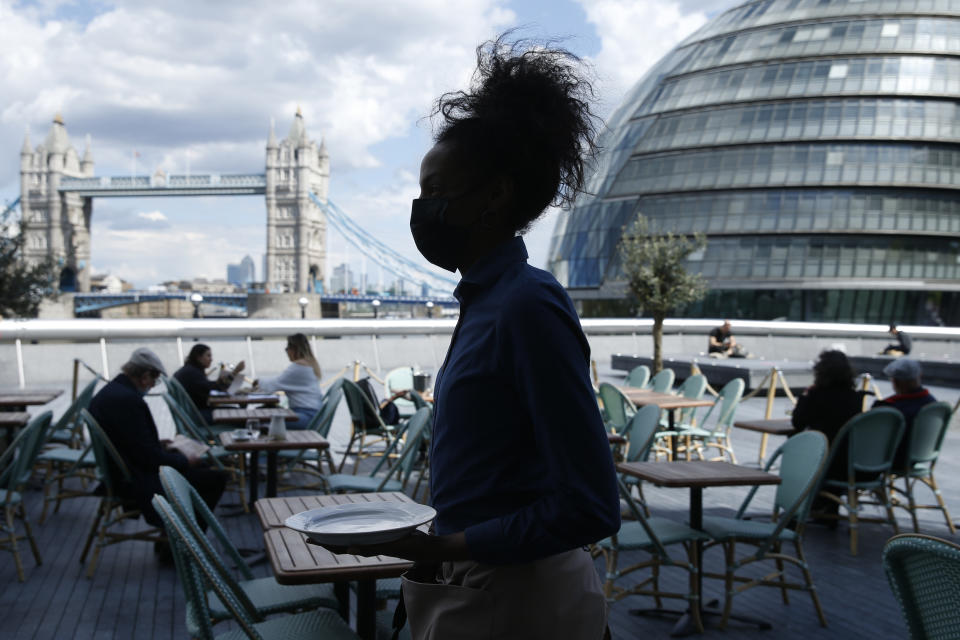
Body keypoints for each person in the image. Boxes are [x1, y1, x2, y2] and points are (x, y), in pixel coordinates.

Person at [332, 35, 621, 639]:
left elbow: (590, 505)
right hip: (478, 589)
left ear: (495, 195)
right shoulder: (485, 305)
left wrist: (441, 549)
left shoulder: (527, 305)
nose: (421, 209)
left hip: (519, 604)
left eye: (437, 192)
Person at [87, 348, 227, 535]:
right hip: (134, 479)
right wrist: (185, 460)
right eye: (155, 380)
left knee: (200, 470)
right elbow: (148, 458)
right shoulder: (128, 401)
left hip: (121, 471)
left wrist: (160, 444)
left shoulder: (113, 391)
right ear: (145, 376)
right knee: (215, 478)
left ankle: (174, 537)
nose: (153, 385)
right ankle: (184, 543)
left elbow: (131, 441)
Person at [792, 350, 866, 521]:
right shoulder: (855, 398)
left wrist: (804, 397)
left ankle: (796, 509)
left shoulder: (817, 395)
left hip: (822, 459)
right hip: (848, 460)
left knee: (796, 450)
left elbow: (798, 422)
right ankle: (827, 507)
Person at [873, 358, 936, 469]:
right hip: (921, 456)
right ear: (919, 375)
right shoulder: (932, 403)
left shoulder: (888, 408)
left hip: (892, 460)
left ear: (896, 382)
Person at [253, 333, 323, 428]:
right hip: (314, 415)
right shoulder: (310, 364)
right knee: (265, 416)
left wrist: (257, 382)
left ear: (294, 349)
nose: (286, 351)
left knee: (262, 422)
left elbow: (273, 384)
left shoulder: (299, 366)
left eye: (287, 348)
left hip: (306, 417)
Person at [173, 343, 244, 424]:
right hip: (197, 416)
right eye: (208, 356)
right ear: (199, 357)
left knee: (238, 412)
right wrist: (235, 372)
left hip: (190, 415)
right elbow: (217, 387)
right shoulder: (192, 373)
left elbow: (208, 388)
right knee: (241, 415)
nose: (211, 359)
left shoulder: (189, 370)